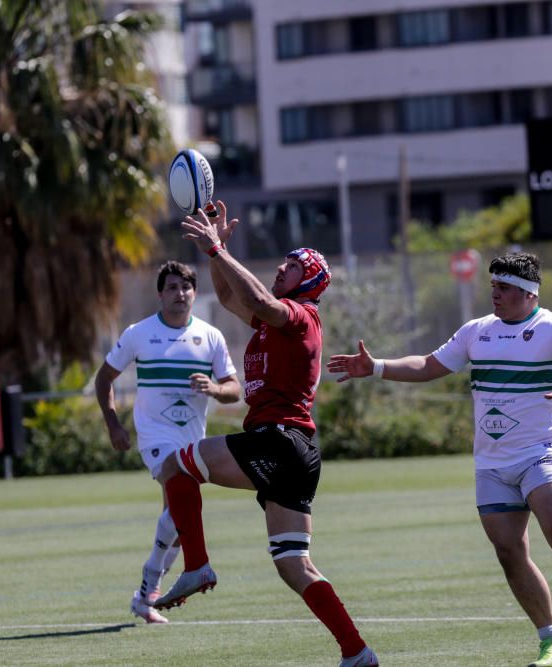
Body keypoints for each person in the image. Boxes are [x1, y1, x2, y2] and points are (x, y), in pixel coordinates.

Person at [327, 252, 552, 667]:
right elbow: (429, 366)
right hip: (491, 464)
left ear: (527, 293)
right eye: (492, 287)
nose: (494, 295)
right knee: (509, 552)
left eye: (502, 288)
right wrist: (376, 367)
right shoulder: (476, 331)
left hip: (539, 453)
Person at [148, 202, 378, 667]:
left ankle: (196, 564)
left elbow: (255, 300)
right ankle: (357, 652)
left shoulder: (300, 316)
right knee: (295, 565)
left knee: (175, 465)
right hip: (297, 448)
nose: (281, 266)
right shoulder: (277, 320)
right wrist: (218, 254)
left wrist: (215, 247)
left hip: (278, 439)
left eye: (292, 266)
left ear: (309, 281)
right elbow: (234, 299)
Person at [95, 260, 241, 624]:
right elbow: (104, 379)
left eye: (187, 287)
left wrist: (215, 388)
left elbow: (234, 390)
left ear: (194, 293)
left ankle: (145, 594)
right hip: (155, 435)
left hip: (193, 438)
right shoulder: (138, 333)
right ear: (160, 294)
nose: (181, 294)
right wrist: (113, 424)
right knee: (180, 499)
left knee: (178, 519)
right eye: (173, 287)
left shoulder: (210, 336)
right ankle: (150, 588)